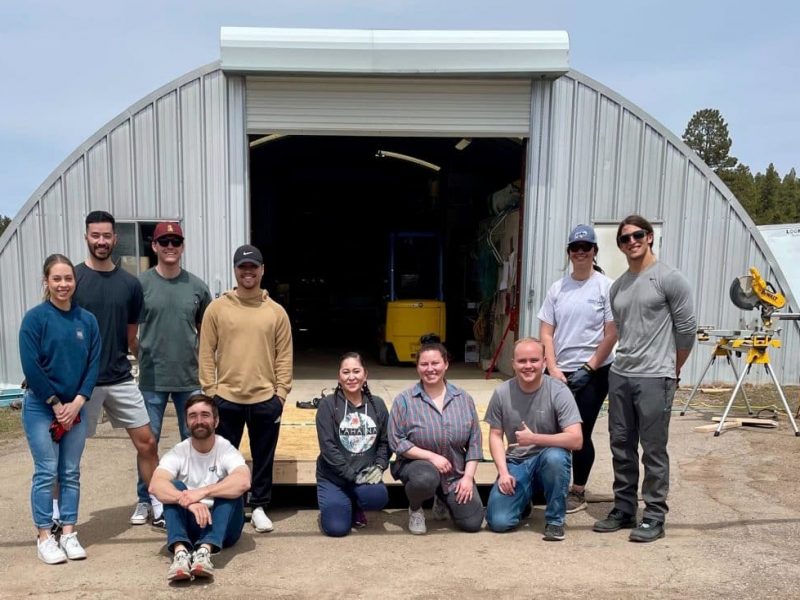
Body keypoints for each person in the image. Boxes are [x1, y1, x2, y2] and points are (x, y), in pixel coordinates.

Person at [593, 215, 696, 543]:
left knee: (653, 449)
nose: (632, 242)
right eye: (625, 238)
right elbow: (623, 330)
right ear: (620, 245)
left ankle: (654, 515)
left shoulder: (670, 279)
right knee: (621, 445)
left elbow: (687, 330)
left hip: (655, 376)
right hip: (621, 374)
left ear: (650, 237)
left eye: (638, 235)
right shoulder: (618, 287)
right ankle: (624, 509)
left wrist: (672, 369)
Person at [199, 244, 293, 534]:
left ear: (262, 270)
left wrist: (281, 394)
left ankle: (260, 506)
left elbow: (284, 356)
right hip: (226, 398)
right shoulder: (217, 309)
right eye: (243, 267)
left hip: (265, 398)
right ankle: (231, 505)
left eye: (253, 267)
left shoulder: (275, 312)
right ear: (235, 270)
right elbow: (205, 352)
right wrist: (210, 392)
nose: (248, 272)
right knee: (224, 457)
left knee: (264, 456)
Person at [74, 210, 159, 526]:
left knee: (147, 443)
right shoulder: (72, 279)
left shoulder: (130, 284)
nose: (101, 241)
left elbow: (131, 337)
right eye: (95, 235)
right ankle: (58, 518)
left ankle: (157, 504)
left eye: (106, 235)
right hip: (82, 383)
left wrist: (148, 364)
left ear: (115, 238)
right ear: (86, 237)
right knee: (69, 452)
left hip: (120, 378)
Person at [19, 254, 101, 563]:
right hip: (42, 407)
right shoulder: (35, 319)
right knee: (46, 470)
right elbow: (31, 365)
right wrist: (55, 404)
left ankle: (68, 532)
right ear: (46, 282)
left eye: (68, 278)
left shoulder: (87, 321)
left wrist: (78, 401)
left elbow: (93, 365)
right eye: (56, 278)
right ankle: (44, 536)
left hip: (75, 408)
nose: (63, 284)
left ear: (75, 282)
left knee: (70, 472)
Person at [137, 221, 212, 527]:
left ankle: (192, 493)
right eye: (164, 242)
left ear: (182, 247)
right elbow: (130, 330)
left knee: (193, 438)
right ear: (154, 246)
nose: (170, 247)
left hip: (188, 378)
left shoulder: (197, 287)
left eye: (175, 242)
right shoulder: (141, 285)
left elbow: (207, 330)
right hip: (152, 378)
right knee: (148, 442)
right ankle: (146, 498)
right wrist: (141, 355)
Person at [538, 224, 617, 513]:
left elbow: (611, 333)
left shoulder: (606, 287)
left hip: (594, 373)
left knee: (579, 432)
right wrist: (552, 368)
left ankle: (578, 490)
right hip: (559, 371)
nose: (580, 252)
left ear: (595, 251)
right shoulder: (558, 288)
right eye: (575, 248)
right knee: (550, 429)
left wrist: (590, 367)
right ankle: (548, 483)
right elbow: (546, 333)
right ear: (569, 252)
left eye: (586, 247)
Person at [484, 337, 583, 541]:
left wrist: (534, 438)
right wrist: (503, 473)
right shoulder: (502, 393)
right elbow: (495, 435)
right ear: (513, 363)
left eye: (534, 360)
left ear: (544, 362)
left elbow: (576, 440)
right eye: (522, 361)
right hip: (516, 462)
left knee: (556, 458)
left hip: (548, 460)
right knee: (498, 522)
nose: (528, 366)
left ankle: (555, 520)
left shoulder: (559, 391)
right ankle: (523, 502)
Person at [149, 394, 251, 582]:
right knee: (173, 488)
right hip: (191, 524)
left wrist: (203, 492)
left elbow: (243, 481)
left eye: (205, 415)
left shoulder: (225, 449)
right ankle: (180, 553)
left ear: (216, 421)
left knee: (228, 486)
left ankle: (205, 551)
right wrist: (188, 501)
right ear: (186, 423)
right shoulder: (179, 451)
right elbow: (156, 485)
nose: (199, 421)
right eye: (193, 416)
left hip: (225, 527)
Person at [388, 339, 484, 535]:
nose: (430, 369)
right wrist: (431, 457)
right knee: (425, 478)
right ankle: (416, 509)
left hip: (454, 472)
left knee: (472, 523)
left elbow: (474, 443)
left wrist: (467, 478)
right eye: (424, 364)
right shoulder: (404, 401)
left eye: (435, 363)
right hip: (416, 467)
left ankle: (442, 498)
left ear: (446, 364)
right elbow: (396, 441)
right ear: (417, 367)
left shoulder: (463, 399)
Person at [315, 352, 389, 537]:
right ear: (339, 377)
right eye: (346, 372)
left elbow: (386, 441)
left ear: (365, 374)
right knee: (337, 528)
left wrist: (379, 466)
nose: (351, 377)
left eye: (356, 371)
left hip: (364, 476)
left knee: (377, 497)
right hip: (334, 478)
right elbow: (328, 448)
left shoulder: (377, 404)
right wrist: (353, 476)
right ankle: (339, 503)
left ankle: (355, 503)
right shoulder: (327, 405)